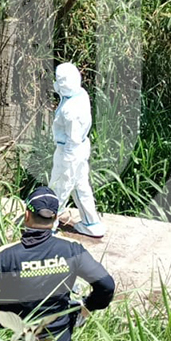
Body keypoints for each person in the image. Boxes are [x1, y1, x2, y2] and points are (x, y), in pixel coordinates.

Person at [0, 187, 115, 341]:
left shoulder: (5, 256)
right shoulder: (72, 250)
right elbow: (106, 285)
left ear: (26, 216)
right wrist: (85, 307)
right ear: (55, 218)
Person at [49, 62, 106, 237]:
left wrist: (66, 162)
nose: (58, 84)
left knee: (59, 188)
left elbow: (72, 139)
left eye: (60, 81)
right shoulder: (80, 94)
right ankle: (91, 223)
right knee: (81, 186)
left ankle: (47, 227)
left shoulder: (70, 111)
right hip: (81, 147)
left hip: (69, 151)